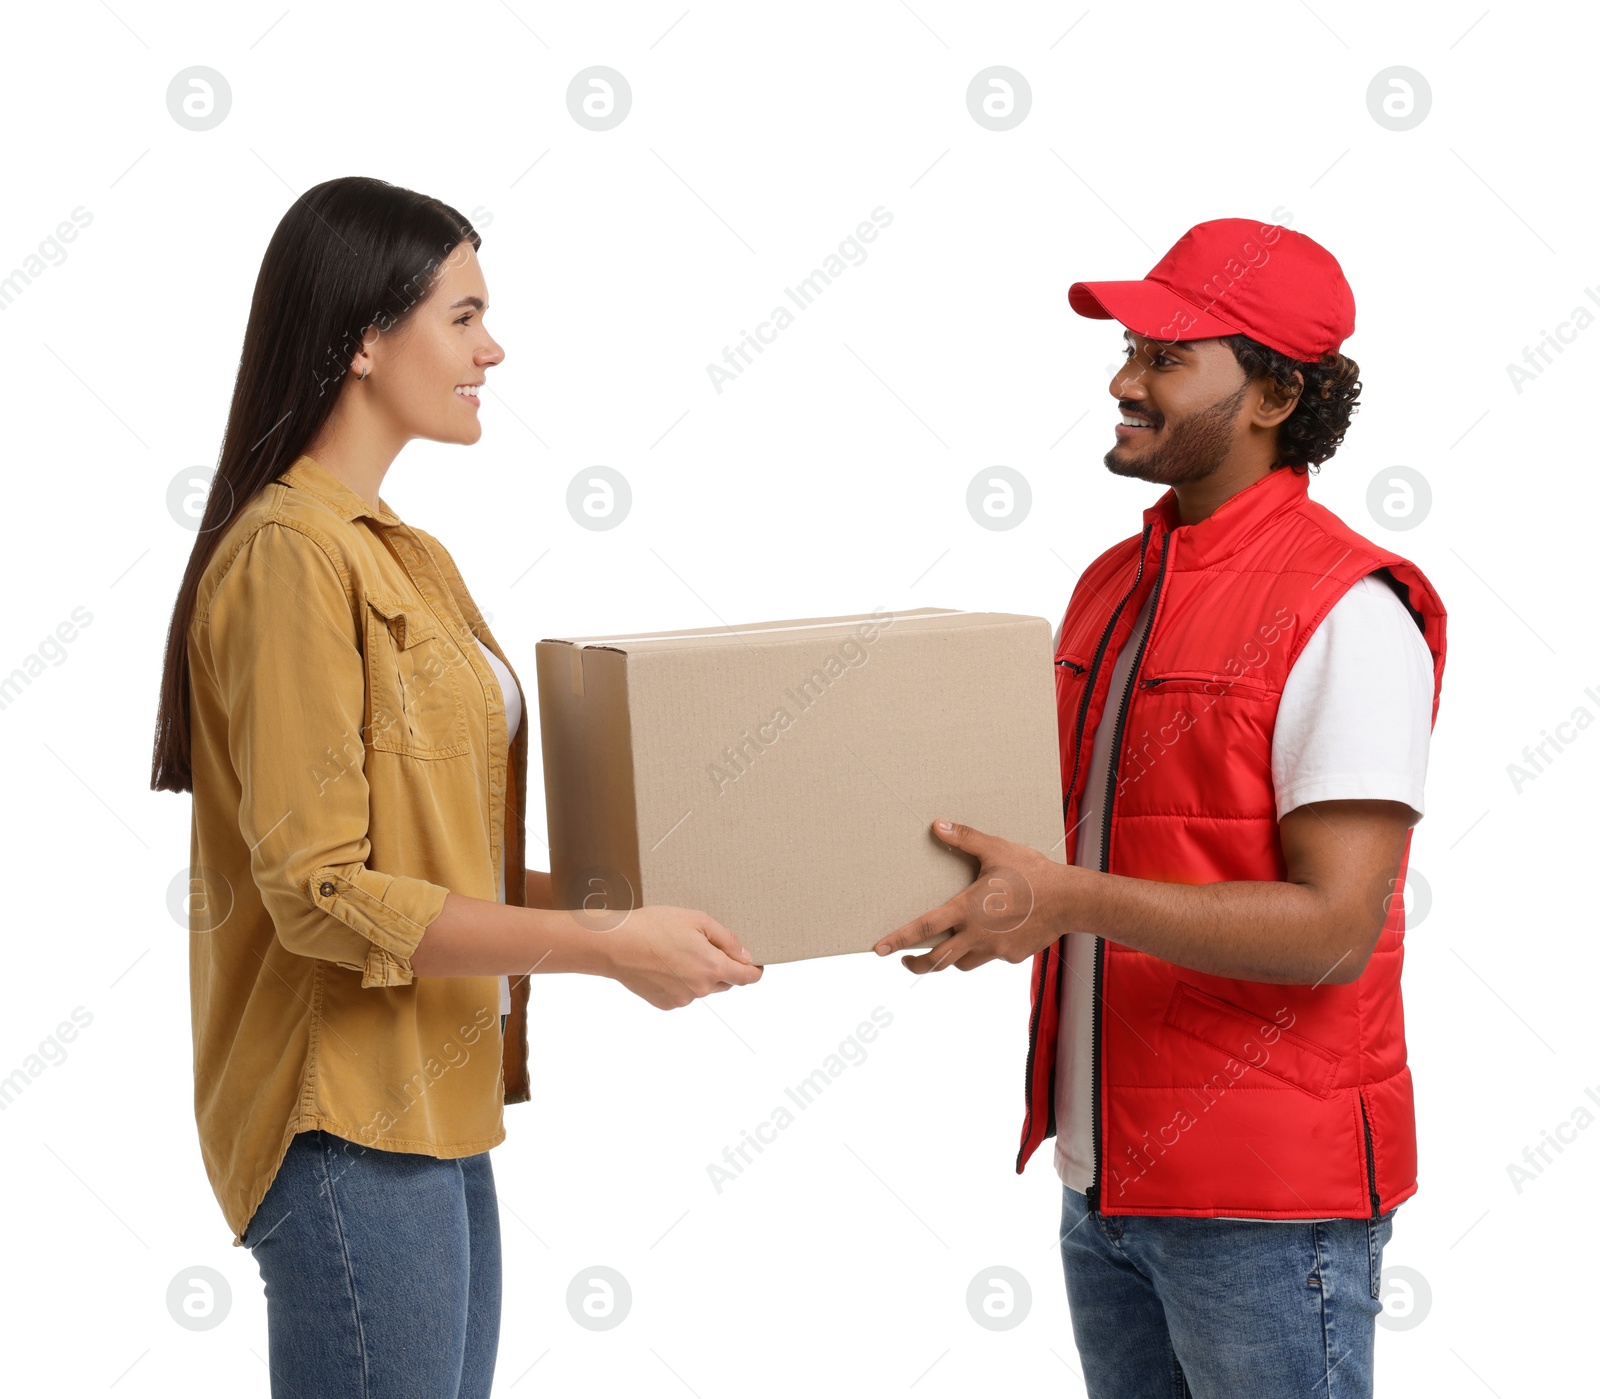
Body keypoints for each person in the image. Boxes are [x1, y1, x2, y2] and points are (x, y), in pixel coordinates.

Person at [149, 175, 762, 1399]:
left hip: (432, 1094)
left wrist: (651, 905)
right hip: (342, 1116)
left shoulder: (406, 555)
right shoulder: (288, 557)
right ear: (367, 338)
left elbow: (443, 867)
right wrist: (604, 940)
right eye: (465, 315)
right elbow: (322, 892)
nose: (495, 348)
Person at [875, 216, 1446, 1398]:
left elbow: (1334, 930)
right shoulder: (1111, 585)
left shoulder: (1347, 612)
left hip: (1264, 1211)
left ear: (1273, 395)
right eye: (1131, 347)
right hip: (1103, 1184)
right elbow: (1065, 836)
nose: (1123, 380)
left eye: (1166, 357)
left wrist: (1069, 896)